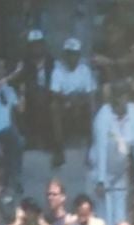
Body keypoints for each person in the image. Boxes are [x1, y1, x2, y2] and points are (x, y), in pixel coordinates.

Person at [91, 83, 134, 225]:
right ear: (113, 101)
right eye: (119, 100)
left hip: (121, 172)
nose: (122, 104)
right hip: (100, 171)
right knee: (105, 215)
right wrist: (100, 181)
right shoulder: (102, 116)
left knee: (121, 216)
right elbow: (101, 149)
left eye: (125, 99)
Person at [48, 38, 97, 168]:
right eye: (69, 54)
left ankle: (91, 149)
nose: (72, 58)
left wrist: (79, 99)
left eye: (75, 54)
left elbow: (91, 92)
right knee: (53, 106)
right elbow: (54, 92)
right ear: (65, 55)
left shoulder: (84, 70)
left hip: (81, 105)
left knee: (93, 105)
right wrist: (68, 99)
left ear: (79, 55)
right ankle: (59, 149)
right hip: (65, 105)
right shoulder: (58, 70)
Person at [0, 58, 26, 187]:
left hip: (9, 127)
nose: (0, 70)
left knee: (11, 153)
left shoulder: (10, 90)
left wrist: (22, 93)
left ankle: (11, 181)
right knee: (18, 143)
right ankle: (16, 178)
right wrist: (16, 72)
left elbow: (20, 109)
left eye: (3, 68)